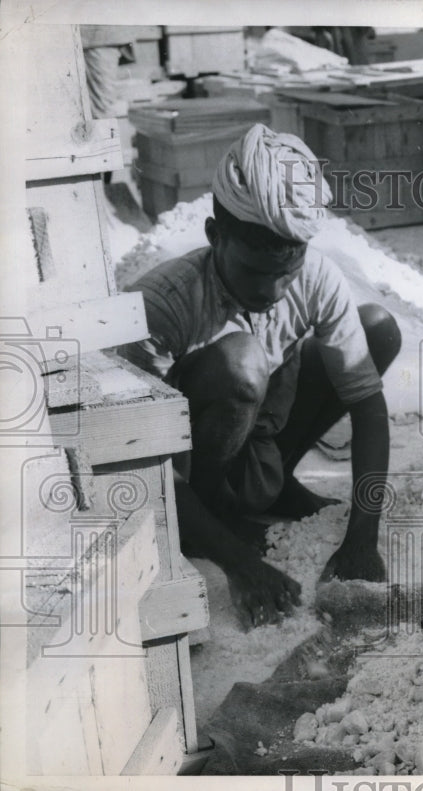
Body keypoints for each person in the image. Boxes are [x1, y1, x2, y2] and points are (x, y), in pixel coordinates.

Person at [122, 124, 401, 628]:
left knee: (377, 329)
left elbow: (368, 409)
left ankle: (275, 485)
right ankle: (218, 519)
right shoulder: (160, 305)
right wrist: (240, 563)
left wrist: (363, 537)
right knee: (242, 362)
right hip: (193, 470)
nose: (273, 292)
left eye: (286, 271)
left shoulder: (315, 276)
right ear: (214, 236)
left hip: (262, 442)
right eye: (255, 272)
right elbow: (141, 465)